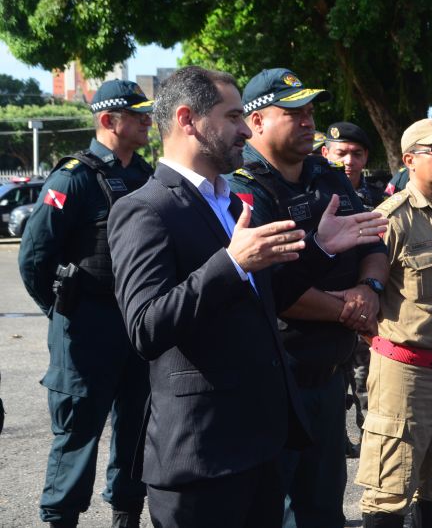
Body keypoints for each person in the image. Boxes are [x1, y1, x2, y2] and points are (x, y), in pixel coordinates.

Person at [107, 65, 387, 528]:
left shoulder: (231, 204)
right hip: (202, 455)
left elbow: (268, 295)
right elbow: (145, 327)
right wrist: (231, 263)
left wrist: (319, 248)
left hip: (260, 444)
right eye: (234, 117)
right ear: (187, 119)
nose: (244, 129)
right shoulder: (143, 209)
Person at [225, 68, 389, 528]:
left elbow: (372, 241)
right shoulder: (243, 188)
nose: (306, 121)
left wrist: (370, 288)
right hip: (274, 382)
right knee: (269, 509)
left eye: (310, 111)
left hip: (326, 374)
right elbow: (271, 288)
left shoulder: (326, 175)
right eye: (292, 112)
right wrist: (349, 309)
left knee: (323, 509)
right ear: (256, 122)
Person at [18, 79, 154, 528]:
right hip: (85, 327)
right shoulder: (72, 177)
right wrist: (62, 310)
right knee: (77, 434)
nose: (147, 122)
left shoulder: (145, 176)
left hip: (134, 325)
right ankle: (61, 519)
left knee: (136, 428)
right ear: (108, 121)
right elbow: (35, 258)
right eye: (137, 116)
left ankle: (126, 514)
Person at [355, 117, 432, 528]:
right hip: (403, 374)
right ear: (410, 160)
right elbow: (363, 298)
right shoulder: (390, 218)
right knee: (389, 490)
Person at [322, 121, 385, 210]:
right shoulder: (314, 196)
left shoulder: (381, 199)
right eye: (341, 154)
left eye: (357, 154)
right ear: (325, 154)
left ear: (365, 156)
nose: (349, 161)